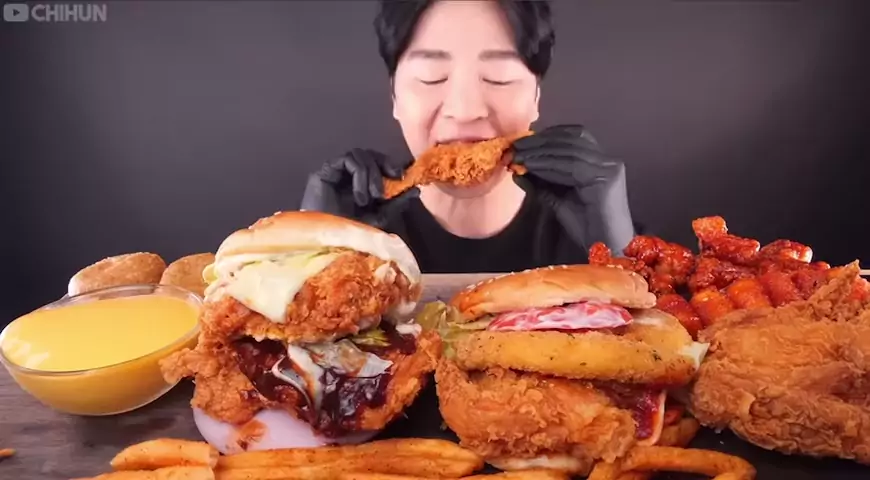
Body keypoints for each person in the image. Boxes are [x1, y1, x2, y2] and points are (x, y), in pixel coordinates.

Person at [301, 0, 637, 274]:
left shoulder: (592, 227)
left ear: (536, 95)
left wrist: (621, 252)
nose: (465, 111)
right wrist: (310, 254)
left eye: (498, 77)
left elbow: (656, 334)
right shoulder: (354, 225)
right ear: (395, 96)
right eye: (431, 77)